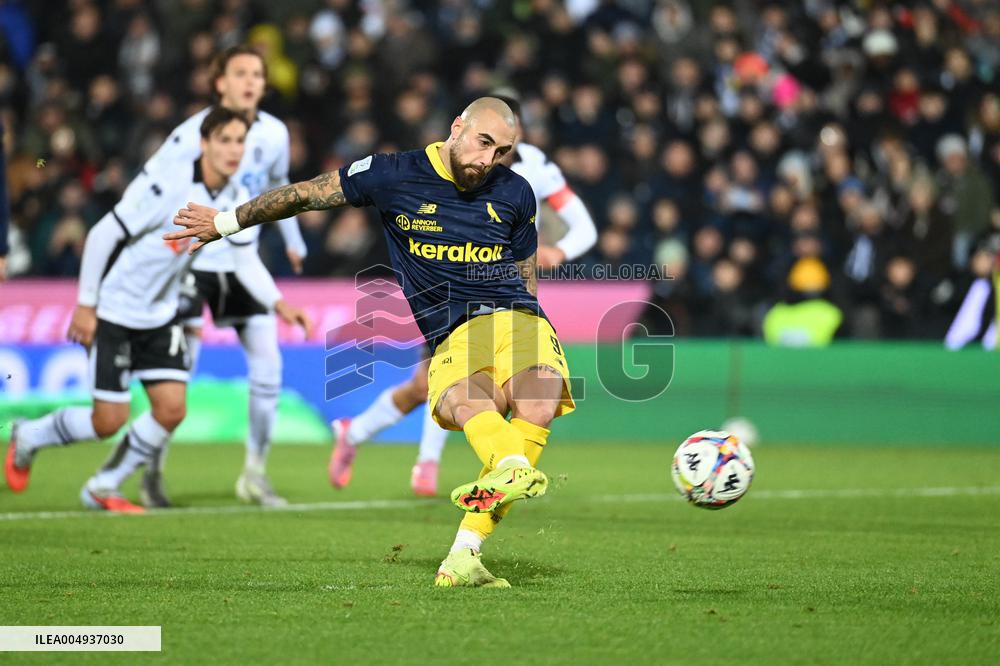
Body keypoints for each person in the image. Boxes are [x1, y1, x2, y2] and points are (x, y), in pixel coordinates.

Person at [168, 97, 575, 587]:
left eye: (503, 151)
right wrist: (226, 221)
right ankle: (500, 480)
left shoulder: (516, 193)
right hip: (454, 330)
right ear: (457, 126)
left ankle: (465, 552)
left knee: (537, 402)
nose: (488, 160)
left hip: (518, 317)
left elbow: (525, 274)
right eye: (483, 143)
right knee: (466, 404)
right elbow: (304, 195)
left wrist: (532, 326)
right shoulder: (391, 174)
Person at [327, 92, 596, 497]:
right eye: (491, 139)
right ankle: (421, 461)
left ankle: (361, 435)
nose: (498, 152)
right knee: (438, 385)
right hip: (448, 291)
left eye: (508, 143)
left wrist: (559, 251)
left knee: (464, 389)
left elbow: (584, 226)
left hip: (504, 292)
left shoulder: (536, 170)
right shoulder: (457, 167)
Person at [4, 108, 263, 512]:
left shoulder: (232, 200)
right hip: (116, 312)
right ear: (204, 144)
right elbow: (103, 233)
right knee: (107, 421)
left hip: (161, 316)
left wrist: (277, 303)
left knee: (172, 409)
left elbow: (240, 259)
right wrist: (87, 305)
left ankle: (102, 486)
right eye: (225, 140)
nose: (233, 149)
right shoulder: (168, 186)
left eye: (240, 141)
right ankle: (29, 436)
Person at [141, 46, 310, 507]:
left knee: (269, 368)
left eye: (257, 73)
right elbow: (154, 183)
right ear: (220, 83)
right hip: (192, 262)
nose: (250, 81)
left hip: (240, 258)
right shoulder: (192, 132)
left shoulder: (274, 133)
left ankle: (254, 474)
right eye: (240, 73)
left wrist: (293, 240)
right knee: (179, 375)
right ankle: (152, 469)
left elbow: (284, 191)